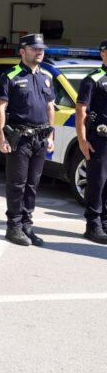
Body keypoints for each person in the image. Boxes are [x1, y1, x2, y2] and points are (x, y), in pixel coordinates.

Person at [0, 32, 55, 246]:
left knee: (32, 184)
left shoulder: (46, 76)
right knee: (17, 184)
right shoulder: (10, 76)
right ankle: (14, 227)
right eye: (34, 49)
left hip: (40, 138)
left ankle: (28, 226)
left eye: (41, 49)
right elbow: (0, 107)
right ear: (22, 51)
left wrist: (51, 134)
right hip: (19, 138)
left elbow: (50, 107)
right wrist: (1, 136)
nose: (39, 52)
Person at [75, 40, 107, 244]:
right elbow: (81, 110)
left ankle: (105, 222)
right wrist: (82, 140)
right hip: (100, 139)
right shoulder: (93, 79)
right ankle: (93, 225)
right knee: (97, 182)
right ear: (103, 54)